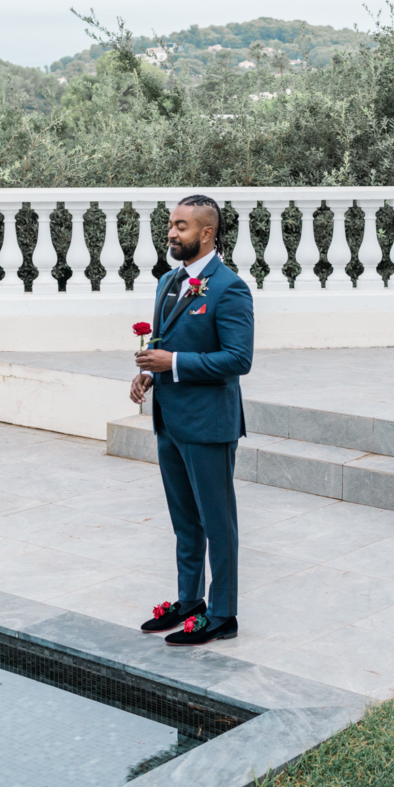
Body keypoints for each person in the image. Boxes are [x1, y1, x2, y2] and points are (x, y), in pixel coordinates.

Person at [129, 194, 254, 645]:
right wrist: (147, 373)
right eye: (170, 225)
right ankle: (189, 602)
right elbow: (164, 343)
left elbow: (238, 359)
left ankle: (222, 615)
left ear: (206, 233)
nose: (171, 232)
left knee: (217, 523)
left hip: (209, 426)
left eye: (181, 226)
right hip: (170, 421)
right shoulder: (167, 282)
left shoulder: (230, 288)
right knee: (184, 521)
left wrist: (173, 363)